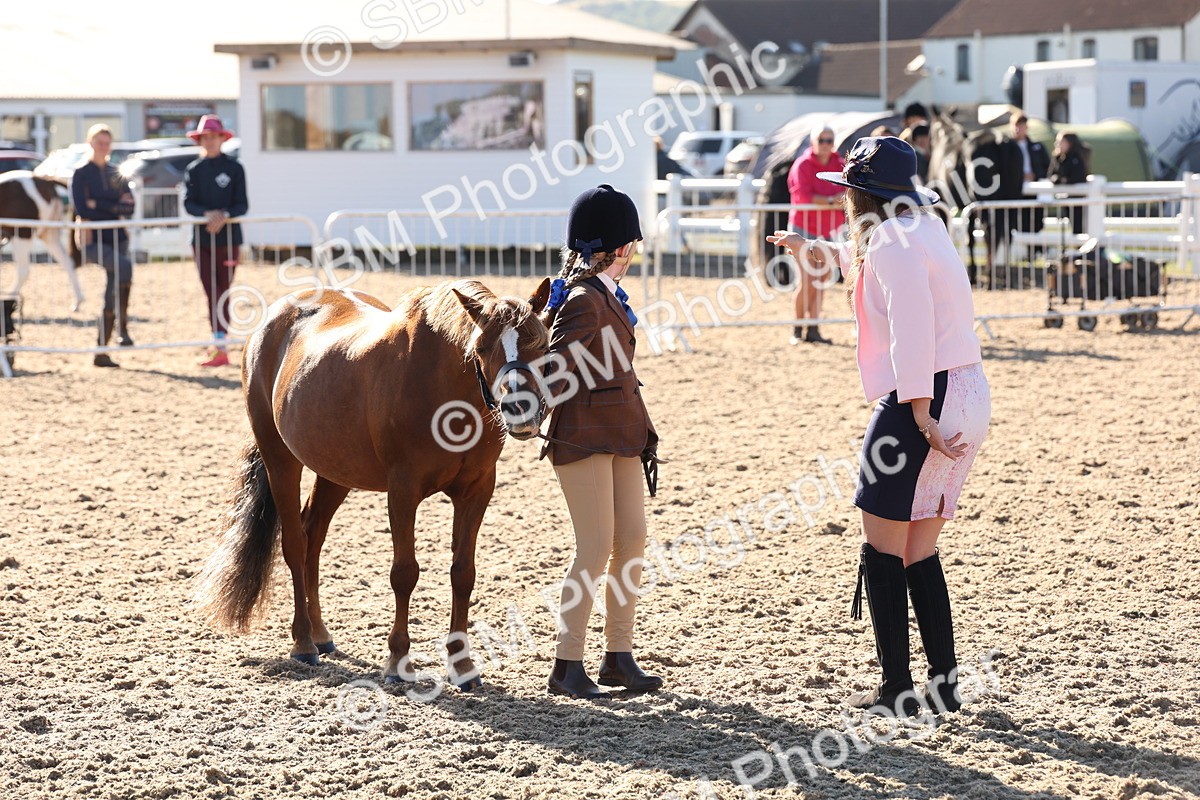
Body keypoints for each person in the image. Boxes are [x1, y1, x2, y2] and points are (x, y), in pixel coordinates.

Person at [767, 137, 991, 717]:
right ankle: (944, 685)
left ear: (862, 196)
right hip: (969, 390)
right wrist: (809, 246)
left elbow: (911, 324)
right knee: (919, 549)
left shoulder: (888, 240)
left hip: (926, 394)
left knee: (881, 544)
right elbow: (865, 264)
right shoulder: (926, 227)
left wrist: (917, 409)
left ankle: (896, 689)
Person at [540, 184, 662, 700]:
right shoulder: (584, 301)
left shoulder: (604, 295)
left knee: (631, 540)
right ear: (622, 248)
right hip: (584, 437)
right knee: (593, 547)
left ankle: (618, 655)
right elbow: (555, 372)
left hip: (621, 434)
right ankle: (567, 664)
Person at [182, 115, 248, 368]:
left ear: (222, 138)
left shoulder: (235, 168)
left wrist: (224, 215)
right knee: (210, 290)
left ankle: (221, 341)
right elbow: (189, 202)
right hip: (201, 239)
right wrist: (206, 214)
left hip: (229, 239)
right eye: (205, 137)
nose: (209, 141)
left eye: (213, 136)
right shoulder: (194, 169)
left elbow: (242, 204)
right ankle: (218, 341)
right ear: (200, 140)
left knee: (223, 289)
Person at [72, 123, 135, 368]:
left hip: (118, 238)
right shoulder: (81, 174)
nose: (103, 146)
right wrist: (112, 206)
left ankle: (101, 350)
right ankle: (123, 327)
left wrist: (98, 204)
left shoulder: (115, 171)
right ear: (90, 143)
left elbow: (130, 206)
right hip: (93, 241)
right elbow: (82, 208)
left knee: (112, 292)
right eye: (99, 142)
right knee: (125, 267)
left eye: (107, 142)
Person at [786, 126, 845, 345]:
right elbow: (802, 197)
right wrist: (831, 201)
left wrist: (835, 201)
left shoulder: (839, 164)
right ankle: (797, 328)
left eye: (829, 140)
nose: (826, 144)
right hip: (804, 229)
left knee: (820, 280)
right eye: (821, 140)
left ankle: (813, 328)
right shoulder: (802, 165)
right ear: (813, 142)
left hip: (828, 231)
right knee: (807, 280)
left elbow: (847, 193)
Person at [1000, 113, 1051, 239]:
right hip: (1014, 190)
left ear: (1026, 127)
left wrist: (1035, 176)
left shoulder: (1036, 147)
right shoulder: (1006, 147)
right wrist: (1019, 176)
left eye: (1021, 126)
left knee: (1035, 220)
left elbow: (1047, 167)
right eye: (1016, 126)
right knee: (1016, 220)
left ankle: (1033, 245)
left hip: (1034, 188)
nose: (1018, 129)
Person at [1048, 131, 1091, 235]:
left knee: (1080, 228)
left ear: (1069, 143)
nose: (1058, 144)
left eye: (1061, 142)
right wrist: (1058, 179)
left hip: (1079, 199)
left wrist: (1065, 180)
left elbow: (1078, 177)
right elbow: (1051, 175)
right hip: (1066, 199)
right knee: (1074, 227)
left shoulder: (1077, 158)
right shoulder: (1058, 158)